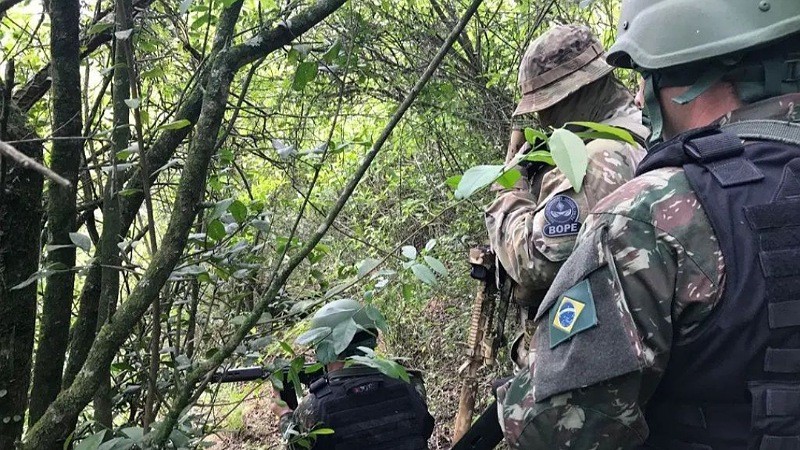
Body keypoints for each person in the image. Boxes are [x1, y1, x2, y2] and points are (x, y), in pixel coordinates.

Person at [498, 1, 800, 449]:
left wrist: (532, 363)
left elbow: (553, 429)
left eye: (644, 76)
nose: (639, 99)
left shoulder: (651, 211)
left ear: (681, 76)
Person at [485, 24, 648, 364]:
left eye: (548, 103)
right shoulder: (640, 126)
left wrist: (509, 190)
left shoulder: (597, 157)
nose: (543, 117)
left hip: (590, 357)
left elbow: (534, 262)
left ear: (575, 93)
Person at [270, 299, 435, 449]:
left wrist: (284, 415)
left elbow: (297, 445)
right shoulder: (411, 383)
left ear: (324, 349)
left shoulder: (313, 406)